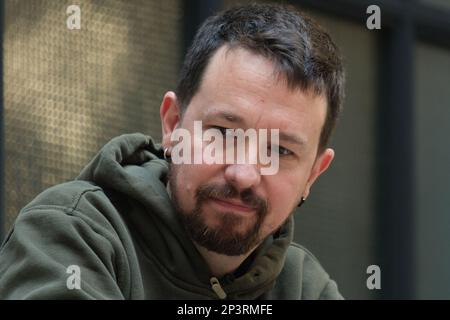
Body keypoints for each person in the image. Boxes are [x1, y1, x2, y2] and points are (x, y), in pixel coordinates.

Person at [0, 3, 345, 299]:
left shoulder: (304, 286)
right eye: (224, 133)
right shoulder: (73, 235)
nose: (243, 173)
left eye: (280, 150)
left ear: (313, 174)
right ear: (173, 125)